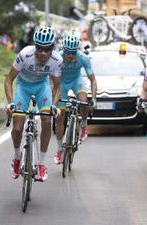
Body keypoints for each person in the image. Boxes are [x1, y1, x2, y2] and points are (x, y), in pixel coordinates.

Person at [5, 27, 62, 182]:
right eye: (39, 48)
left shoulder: (57, 60)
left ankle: (41, 164)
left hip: (42, 87)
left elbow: (57, 87)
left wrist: (54, 105)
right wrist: (10, 103)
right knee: (17, 127)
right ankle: (17, 157)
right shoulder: (25, 54)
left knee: (47, 120)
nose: (42, 53)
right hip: (23, 87)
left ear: (52, 48)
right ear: (35, 46)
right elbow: (9, 80)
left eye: (47, 49)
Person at [53, 34, 97, 164]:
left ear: (77, 50)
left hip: (76, 81)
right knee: (59, 118)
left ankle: (83, 124)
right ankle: (60, 149)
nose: (70, 55)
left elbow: (93, 80)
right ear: (63, 49)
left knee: (83, 100)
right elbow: (51, 81)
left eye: (73, 52)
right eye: (67, 52)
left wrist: (93, 99)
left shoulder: (83, 58)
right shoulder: (57, 57)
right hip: (62, 83)